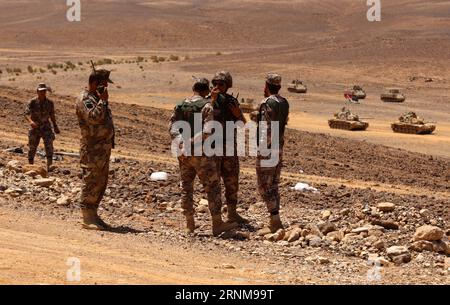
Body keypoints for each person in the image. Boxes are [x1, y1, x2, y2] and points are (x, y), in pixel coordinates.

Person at [169, 77, 238, 236]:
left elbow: (172, 128)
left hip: (183, 154)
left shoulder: (180, 105)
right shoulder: (206, 107)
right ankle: (217, 223)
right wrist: (192, 142)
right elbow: (208, 131)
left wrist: (182, 142)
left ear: (193, 88)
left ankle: (189, 224)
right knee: (212, 187)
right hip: (202, 153)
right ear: (206, 90)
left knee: (186, 186)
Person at [75, 69, 115, 230]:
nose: (105, 88)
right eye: (102, 85)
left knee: (100, 181)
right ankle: (87, 217)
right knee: (91, 180)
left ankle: (94, 215)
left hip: (101, 149)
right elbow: (93, 117)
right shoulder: (85, 99)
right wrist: (103, 101)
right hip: (92, 150)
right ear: (93, 83)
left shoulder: (95, 98)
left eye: (105, 85)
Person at [252, 73, 290, 234]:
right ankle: (275, 219)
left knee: (264, 185)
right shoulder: (284, 102)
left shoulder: (267, 103)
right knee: (273, 183)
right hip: (278, 147)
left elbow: (267, 128)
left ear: (266, 86)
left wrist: (261, 148)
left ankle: (275, 221)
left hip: (268, 148)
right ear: (279, 87)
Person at [210, 71, 248, 224]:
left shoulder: (232, 101)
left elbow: (242, 124)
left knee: (232, 180)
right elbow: (200, 119)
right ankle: (216, 218)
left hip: (229, 147)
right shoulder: (207, 100)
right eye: (215, 84)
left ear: (228, 85)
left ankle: (232, 213)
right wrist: (211, 102)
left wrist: (238, 114)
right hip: (212, 147)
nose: (217, 87)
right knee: (214, 182)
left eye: (221, 84)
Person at [25, 83, 60, 171]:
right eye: (41, 91)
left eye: (44, 91)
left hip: (46, 127)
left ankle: (49, 168)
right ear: (37, 91)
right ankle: (30, 167)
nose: (42, 92)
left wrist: (55, 126)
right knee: (32, 147)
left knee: (49, 146)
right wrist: (31, 121)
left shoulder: (50, 103)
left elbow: (52, 115)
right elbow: (26, 113)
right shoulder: (32, 102)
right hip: (35, 128)